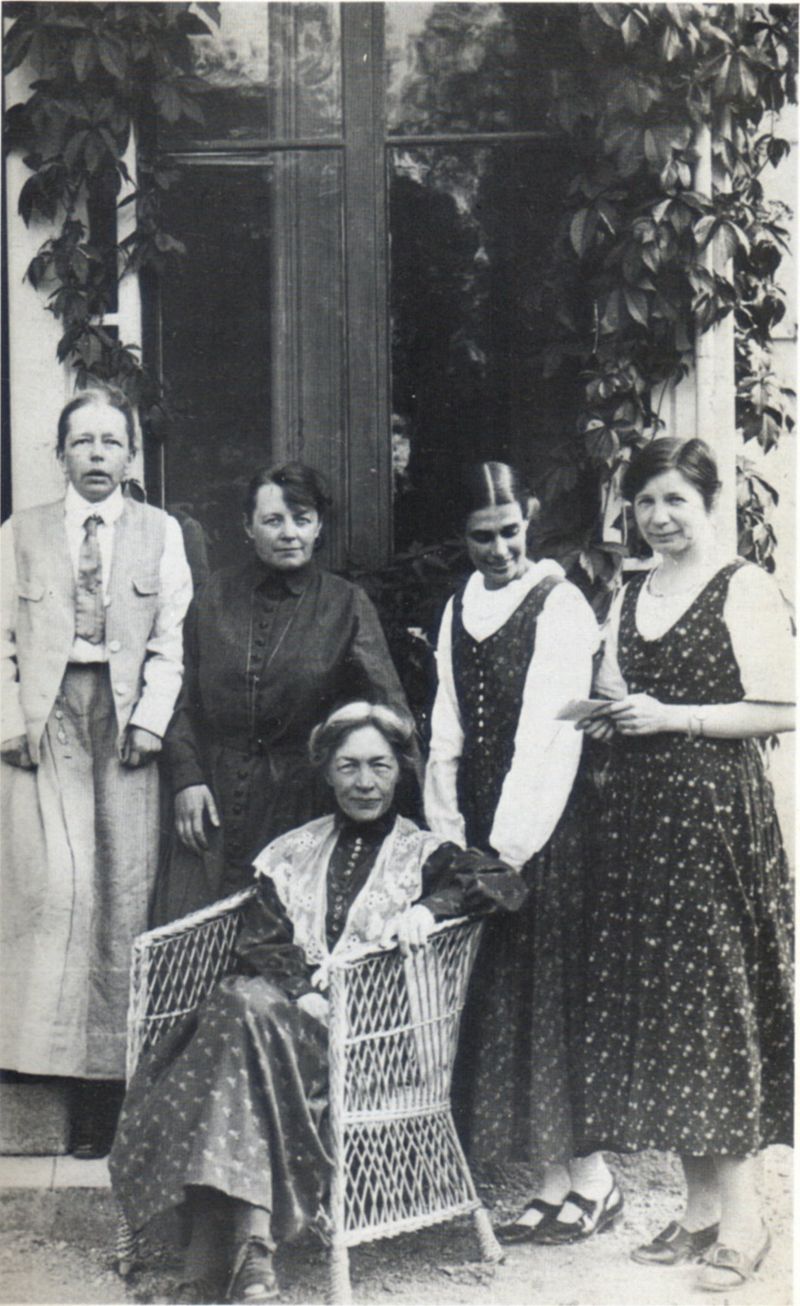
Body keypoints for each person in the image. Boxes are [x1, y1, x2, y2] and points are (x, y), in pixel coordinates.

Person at [110, 701, 524, 1305]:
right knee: (243, 1006)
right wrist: (303, 995)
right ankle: (252, 1259)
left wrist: (427, 909)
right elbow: (261, 940)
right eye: (349, 766)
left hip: (369, 1043)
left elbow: (504, 884)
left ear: (400, 771)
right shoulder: (294, 850)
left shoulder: (426, 854)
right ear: (326, 771)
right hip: (283, 1029)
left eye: (379, 766)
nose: (364, 782)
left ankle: (204, 1266)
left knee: (235, 1009)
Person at [577, 437, 794, 1291]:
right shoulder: (631, 591)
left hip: (712, 825)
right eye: (645, 503)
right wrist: (609, 716)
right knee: (670, 1016)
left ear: (709, 505)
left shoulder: (743, 587)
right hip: (641, 827)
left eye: (676, 501)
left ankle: (746, 1223)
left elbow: (784, 704)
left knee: (715, 1009)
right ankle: (698, 1215)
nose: (659, 518)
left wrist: (672, 719)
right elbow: (619, 693)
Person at [424, 460, 620, 1245]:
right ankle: (553, 1181)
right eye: (482, 536)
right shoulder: (458, 608)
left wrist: (507, 848)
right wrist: (450, 841)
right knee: (510, 1000)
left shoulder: (560, 602)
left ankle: (595, 1180)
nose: (499, 548)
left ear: (529, 519)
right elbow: (446, 728)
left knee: (554, 999)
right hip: (481, 827)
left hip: (544, 828)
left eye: (510, 531)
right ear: (462, 538)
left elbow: (550, 734)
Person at [0, 386, 192, 1156]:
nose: (98, 457)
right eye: (83, 443)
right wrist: (10, 723)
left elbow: (171, 642)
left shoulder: (160, 533)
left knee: (120, 891)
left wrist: (149, 721)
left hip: (123, 726)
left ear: (131, 455)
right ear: (60, 454)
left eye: (112, 443)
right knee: (51, 890)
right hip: (45, 726)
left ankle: (106, 1090)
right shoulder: (21, 532)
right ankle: (43, 1069)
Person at [156, 462, 413, 923]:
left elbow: (388, 715)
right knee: (191, 940)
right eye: (273, 520)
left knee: (283, 940)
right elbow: (181, 698)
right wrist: (187, 779)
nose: (289, 532)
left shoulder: (345, 604)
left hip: (303, 806)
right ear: (248, 527)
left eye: (302, 518)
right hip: (211, 801)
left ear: (319, 527)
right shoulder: (212, 598)